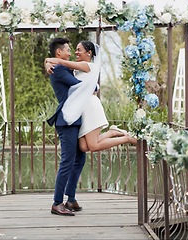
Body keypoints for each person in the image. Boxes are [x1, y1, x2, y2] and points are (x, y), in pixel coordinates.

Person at [45, 40, 137, 153]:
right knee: (84, 147)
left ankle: (126, 138)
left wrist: (47, 60)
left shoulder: (87, 65)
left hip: (90, 106)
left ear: (88, 53)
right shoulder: (77, 67)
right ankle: (112, 132)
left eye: (79, 50)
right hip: (82, 108)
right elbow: (62, 65)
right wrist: (48, 64)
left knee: (93, 146)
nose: (76, 52)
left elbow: (63, 63)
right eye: (75, 50)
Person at [46, 38, 85, 216]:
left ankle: (70, 198)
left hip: (74, 119)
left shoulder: (63, 66)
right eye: (68, 50)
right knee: (67, 161)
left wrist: (46, 60)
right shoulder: (60, 69)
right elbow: (80, 87)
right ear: (58, 53)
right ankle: (56, 202)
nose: (70, 53)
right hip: (66, 120)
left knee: (79, 159)